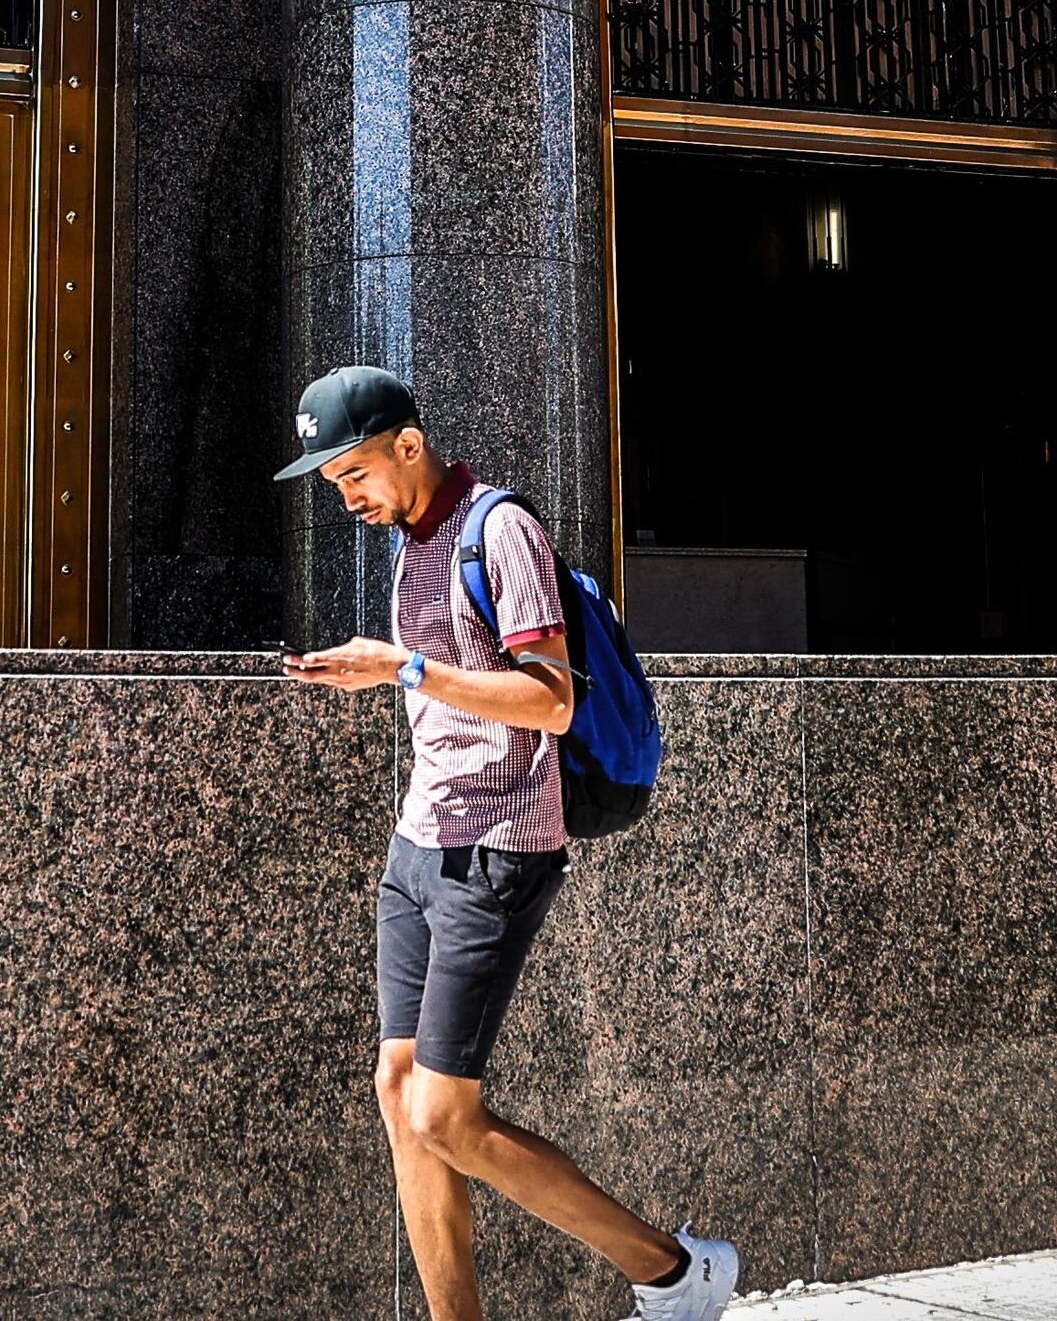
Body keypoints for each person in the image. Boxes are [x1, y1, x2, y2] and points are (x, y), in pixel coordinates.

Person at [277, 364, 738, 1321]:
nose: (348, 496)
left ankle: (676, 1272)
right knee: (399, 1092)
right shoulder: (411, 540)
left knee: (446, 1113)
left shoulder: (502, 530)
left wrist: (402, 665)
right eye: (333, 484)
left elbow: (552, 698)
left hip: (500, 844)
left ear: (409, 443)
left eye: (354, 472)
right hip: (420, 847)